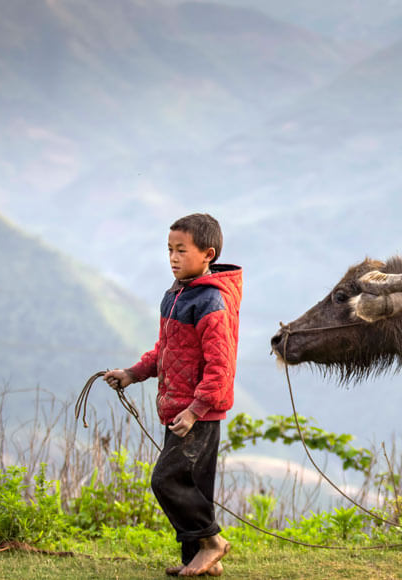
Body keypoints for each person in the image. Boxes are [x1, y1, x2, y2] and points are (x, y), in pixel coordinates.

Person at [104, 213, 242, 577]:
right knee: (193, 484)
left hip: (197, 413)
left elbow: (221, 366)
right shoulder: (176, 295)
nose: (173, 257)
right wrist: (132, 374)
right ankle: (200, 558)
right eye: (169, 249)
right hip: (178, 409)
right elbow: (166, 352)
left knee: (165, 479)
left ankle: (212, 543)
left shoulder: (211, 301)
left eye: (182, 250)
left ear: (208, 254)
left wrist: (196, 410)